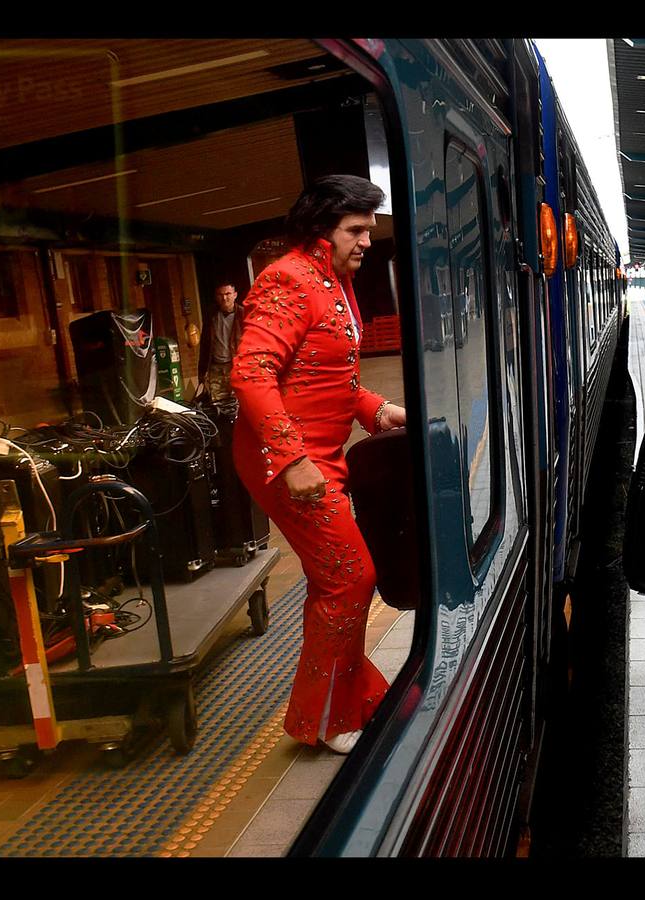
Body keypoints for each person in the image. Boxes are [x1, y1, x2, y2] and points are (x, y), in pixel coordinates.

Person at [231, 174, 407, 755]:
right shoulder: (287, 279)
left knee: (338, 579)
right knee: (351, 576)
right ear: (321, 228)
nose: (366, 241)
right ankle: (327, 719)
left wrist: (378, 410)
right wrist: (290, 459)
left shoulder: (332, 281)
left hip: (319, 454)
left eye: (370, 230)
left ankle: (338, 701)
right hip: (287, 460)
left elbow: (328, 379)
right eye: (355, 230)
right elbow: (252, 373)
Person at [201, 283, 240, 401]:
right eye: (220, 295)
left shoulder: (243, 315)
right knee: (218, 402)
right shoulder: (211, 316)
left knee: (238, 401)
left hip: (235, 366)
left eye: (228, 294)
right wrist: (202, 371)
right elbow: (205, 344)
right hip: (216, 367)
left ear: (235, 295)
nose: (224, 298)